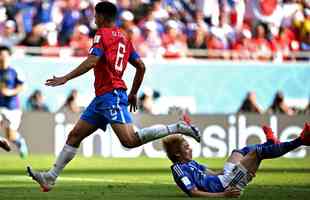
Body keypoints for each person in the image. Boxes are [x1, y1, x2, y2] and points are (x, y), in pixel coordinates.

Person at [27, 1, 200, 192]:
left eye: (95, 15)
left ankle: (177, 127)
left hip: (112, 94)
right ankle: (50, 177)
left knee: (129, 141)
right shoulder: (125, 37)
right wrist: (133, 92)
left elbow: (93, 60)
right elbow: (141, 66)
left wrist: (66, 78)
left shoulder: (101, 34)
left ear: (102, 17)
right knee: (74, 135)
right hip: (103, 97)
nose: (94, 18)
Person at [162, 123, 310, 197]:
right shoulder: (179, 169)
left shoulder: (191, 163)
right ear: (177, 154)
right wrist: (223, 195)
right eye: (186, 147)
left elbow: (213, 173)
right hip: (226, 186)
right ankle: (301, 140)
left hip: (225, 178)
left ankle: (270, 144)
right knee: (256, 154)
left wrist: (242, 171)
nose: (191, 149)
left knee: (239, 152)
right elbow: (193, 192)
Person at [0, 46, 28, 158]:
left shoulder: (15, 71)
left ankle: (20, 142)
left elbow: (21, 87)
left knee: (11, 135)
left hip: (12, 107)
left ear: (9, 57)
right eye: (1, 55)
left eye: (4, 55)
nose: (2, 57)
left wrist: (10, 92)